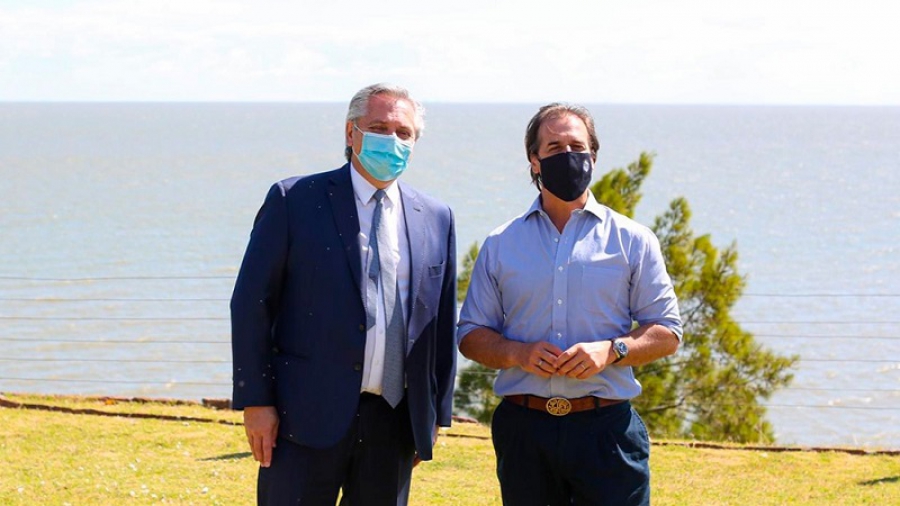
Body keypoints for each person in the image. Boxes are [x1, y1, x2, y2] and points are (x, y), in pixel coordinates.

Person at [231, 83, 457, 505]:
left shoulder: (436, 217)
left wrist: (435, 414)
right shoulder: (294, 200)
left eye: (404, 133)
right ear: (351, 133)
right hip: (302, 418)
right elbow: (251, 304)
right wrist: (256, 401)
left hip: (393, 422)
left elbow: (440, 323)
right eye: (379, 128)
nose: (392, 140)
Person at [457, 103, 682, 506]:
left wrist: (612, 350)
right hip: (524, 433)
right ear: (534, 160)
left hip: (608, 433)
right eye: (554, 147)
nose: (568, 155)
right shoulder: (500, 244)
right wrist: (517, 353)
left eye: (577, 146)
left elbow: (667, 333)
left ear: (593, 156)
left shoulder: (633, 240)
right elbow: (471, 335)